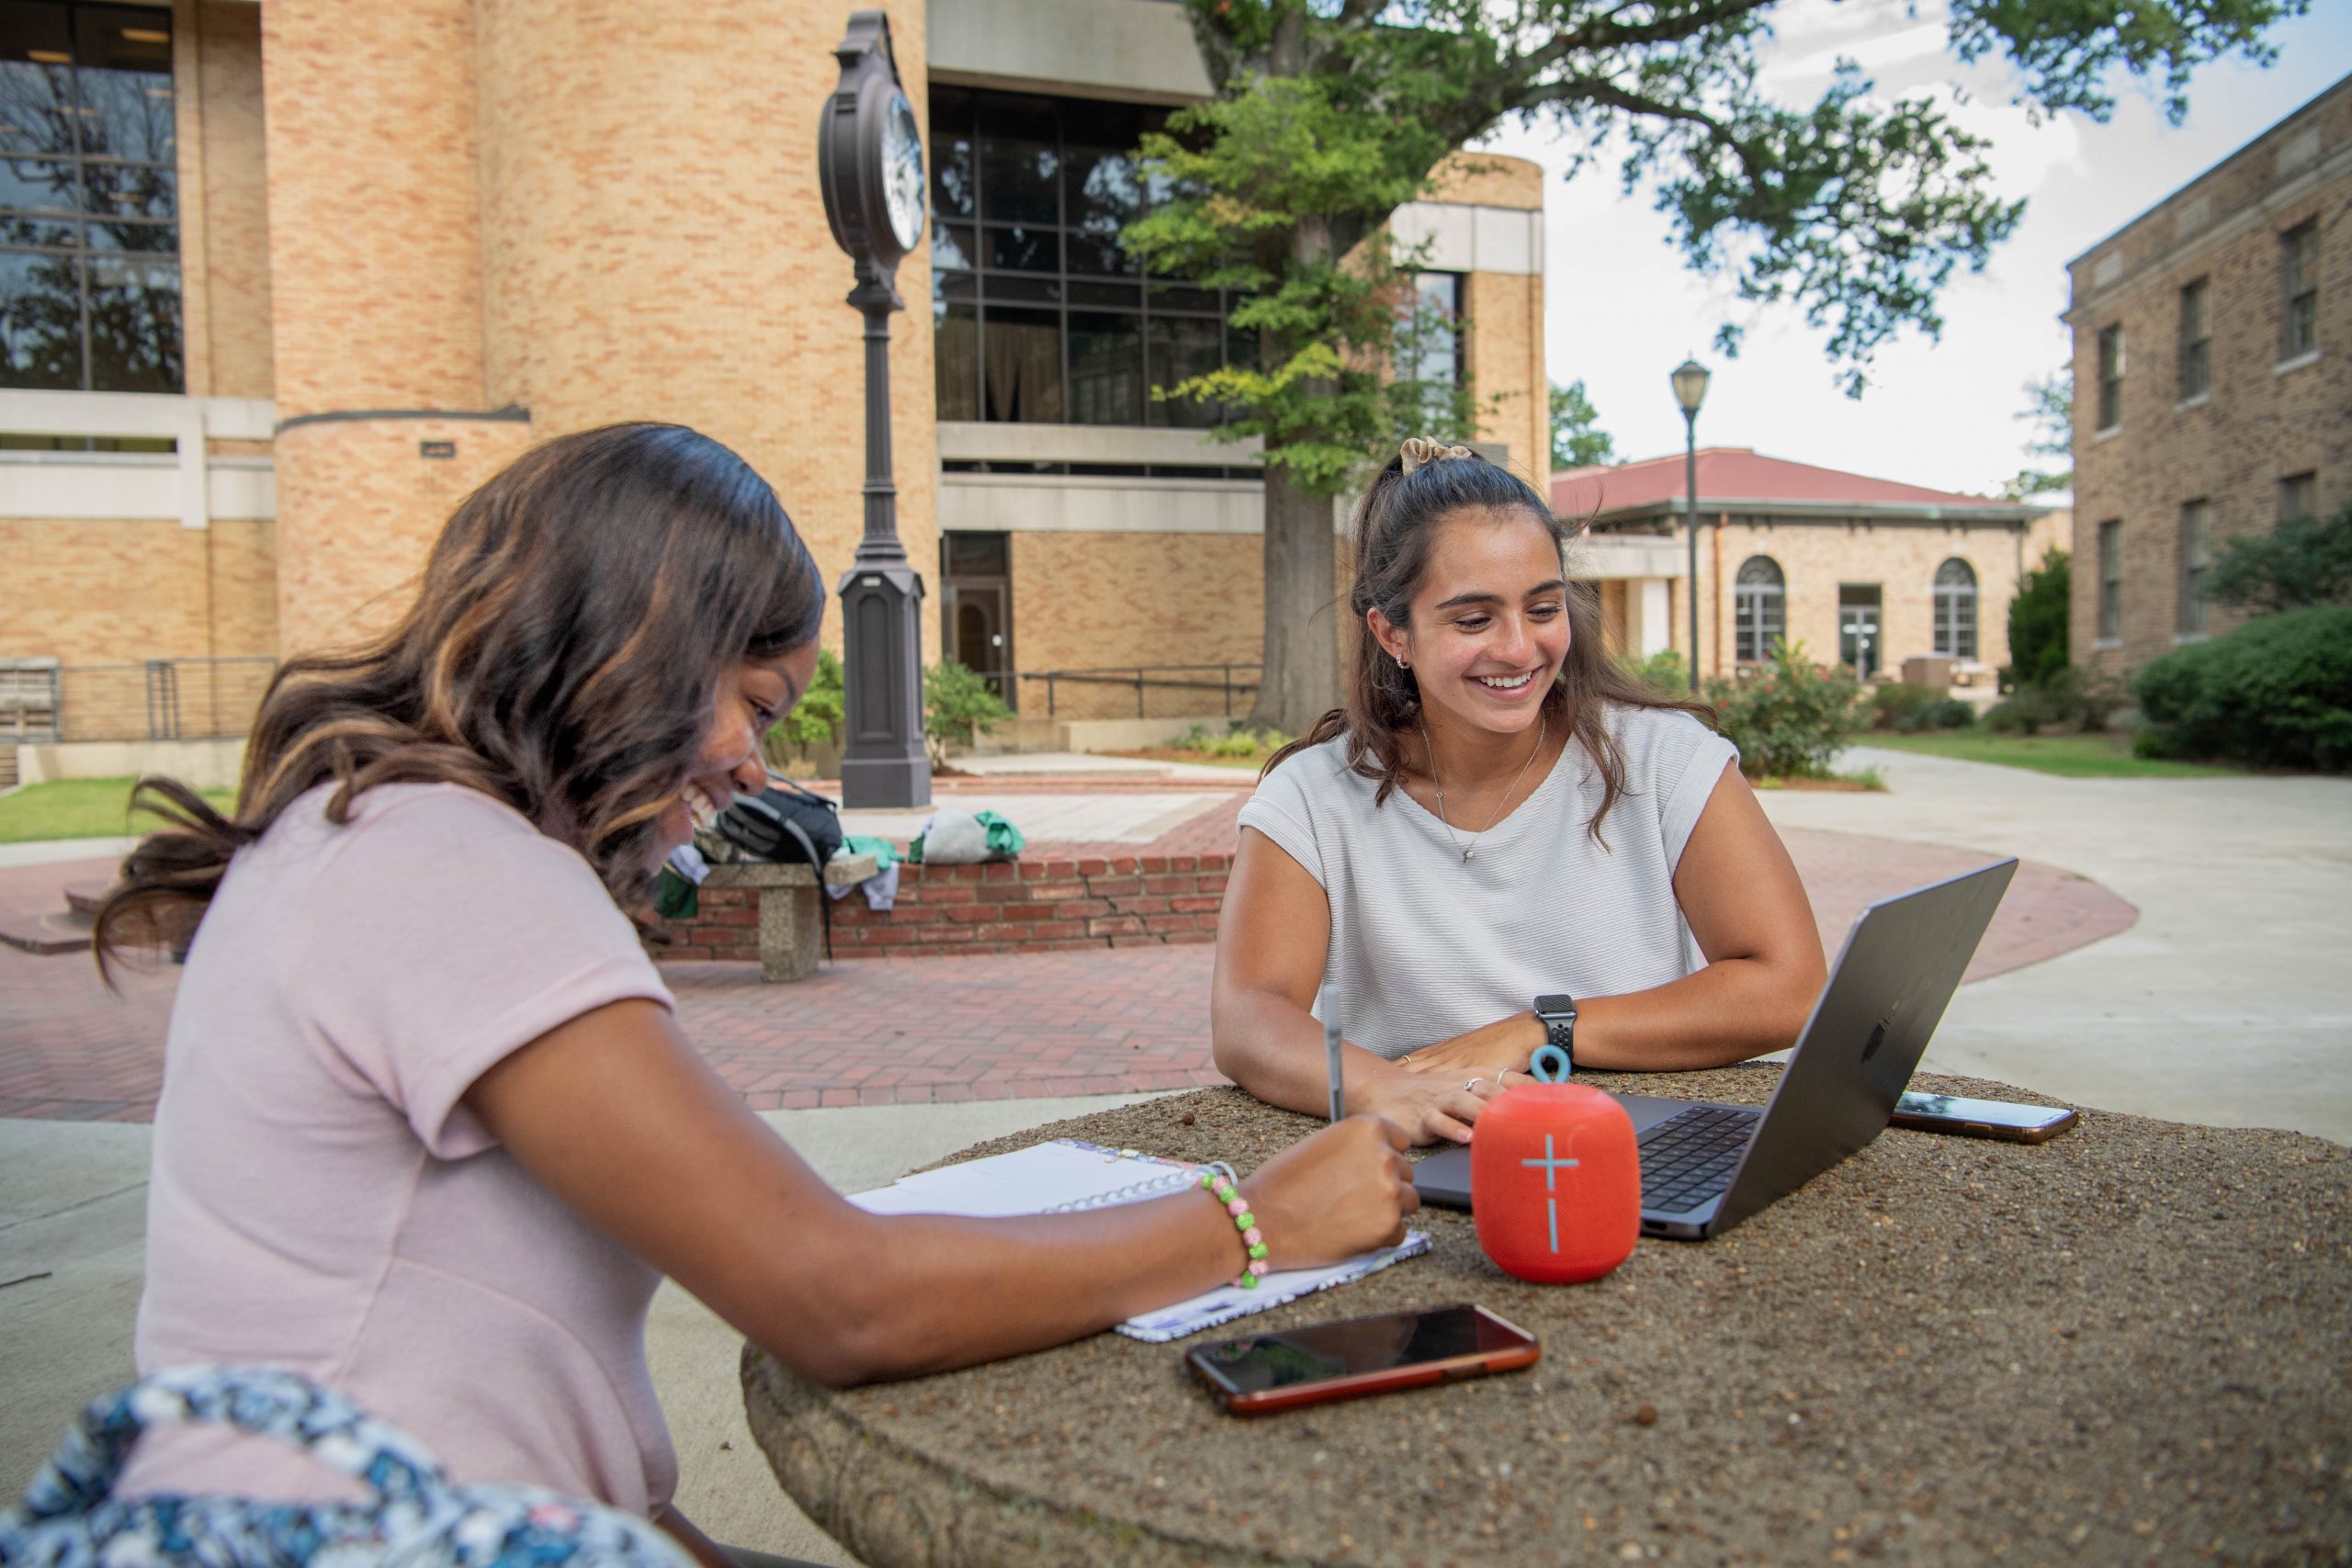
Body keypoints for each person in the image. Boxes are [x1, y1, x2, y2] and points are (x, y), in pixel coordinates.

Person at [95, 424, 1418, 1567]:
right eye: (755, 702)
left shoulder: (380, 838)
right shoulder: (446, 864)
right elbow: (836, 1294)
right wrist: (1255, 1221)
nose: (752, 766)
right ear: (635, 649)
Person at [1211, 438, 1827, 1147]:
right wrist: (1389, 1089)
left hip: (1635, 1142)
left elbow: (1787, 985)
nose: (1517, 647)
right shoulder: (1314, 797)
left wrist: (1543, 1025)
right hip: (1437, 1144)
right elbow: (1250, 1014)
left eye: (1542, 608)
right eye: (1474, 620)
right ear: (1392, 632)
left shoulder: (1665, 757)